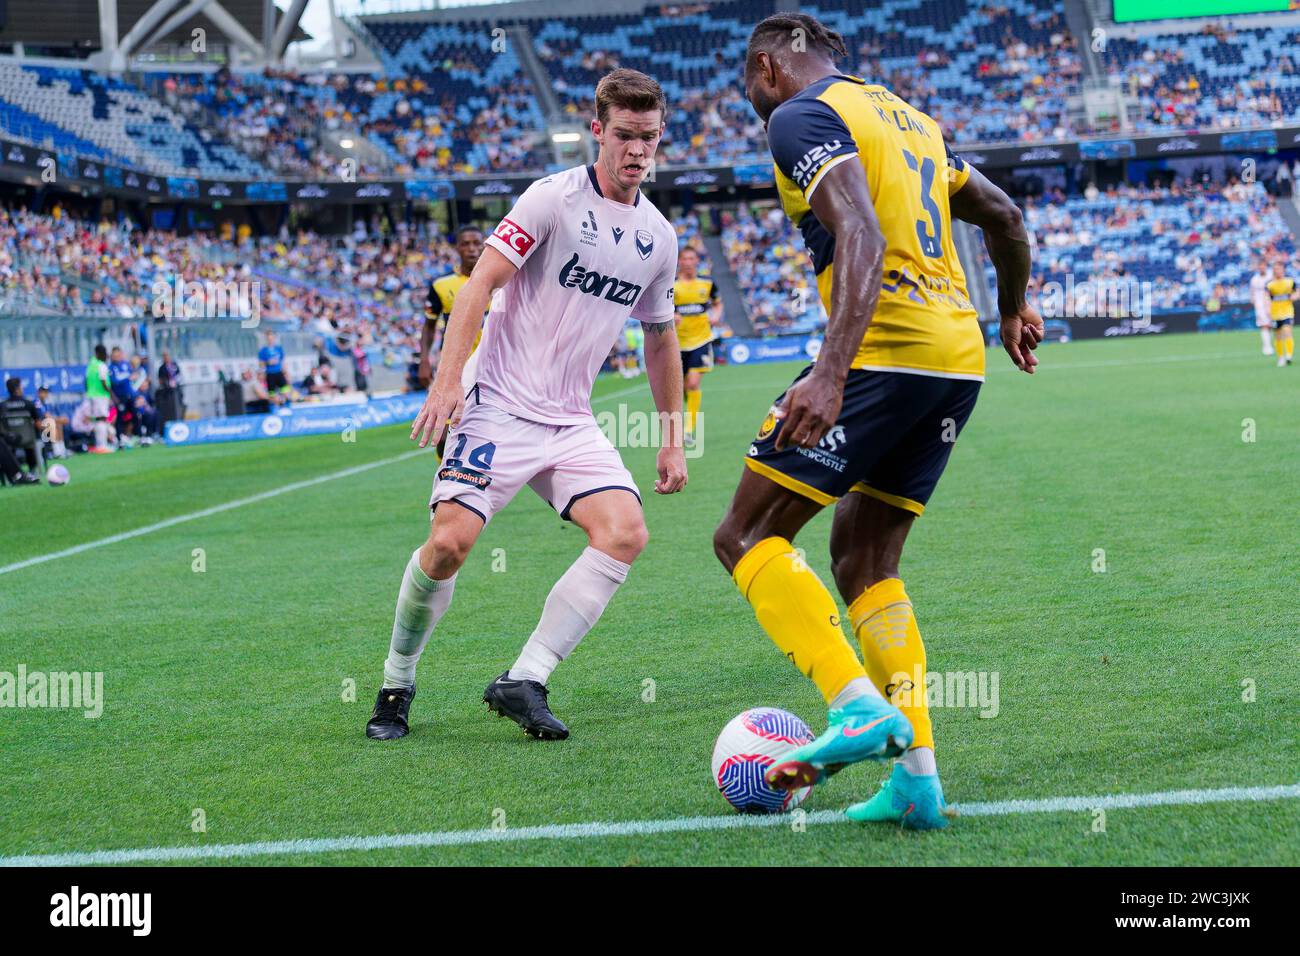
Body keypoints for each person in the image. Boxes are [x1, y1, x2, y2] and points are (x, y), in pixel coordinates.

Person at [711, 14, 1042, 830]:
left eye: (750, 88)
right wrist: (1013, 309)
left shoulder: (801, 115)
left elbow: (859, 229)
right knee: (865, 557)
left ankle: (854, 708)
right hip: (956, 358)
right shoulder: (913, 120)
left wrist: (828, 372)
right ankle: (917, 784)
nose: (754, 104)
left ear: (767, 66)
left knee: (745, 535)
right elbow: (1003, 215)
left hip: (881, 354)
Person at [366, 68, 687, 743]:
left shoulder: (659, 237)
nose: (637, 151)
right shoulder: (551, 199)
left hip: (569, 419)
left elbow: (661, 339)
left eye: (650, 138)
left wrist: (672, 437)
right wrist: (448, 381)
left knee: (625, 532)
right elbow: (479, 285)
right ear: (597, 131)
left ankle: (526, 678)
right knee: (450, 545)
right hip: (498, 403)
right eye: (625, 135)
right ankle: (397, 681)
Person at [422, 225, 486, 389]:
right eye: (465, 244)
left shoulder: (504, 282)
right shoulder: (440, 285)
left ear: (484, 245)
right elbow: (429, 326)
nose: (471, 249)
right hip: (456, 369)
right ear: (457, 248)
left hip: (495, 367)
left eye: (476, 243)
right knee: (454, 414)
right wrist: (424, 360)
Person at [673, 246, 722, 446]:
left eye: (692, 258)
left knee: (693, 383)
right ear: (679, 262)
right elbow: (662, 307)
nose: (688, 262)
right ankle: (687, 415)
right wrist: (671, 315)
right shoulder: (672, 285)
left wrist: (716, 315)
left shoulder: (707, 283)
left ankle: (688, 429)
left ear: (696, 261)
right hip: (677, 343)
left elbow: (718, 303)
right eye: (684, 258)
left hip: (701, 340)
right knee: (683, 386)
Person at [1, 377, 43, 473]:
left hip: (9, 440)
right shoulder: (29, 404)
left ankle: (13, 472)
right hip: (27, 439)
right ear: (18, 388)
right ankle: (32, 470)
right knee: (31, 440)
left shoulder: (2, 405)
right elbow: (38, 424)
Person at [84, 344, 114, 454]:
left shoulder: (91, 365)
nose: (106, 356)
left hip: (92, 395)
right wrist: (112, 394)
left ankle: (99, 445)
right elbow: (103, 382)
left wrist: (89, 393)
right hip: (100, 395)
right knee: (101, 418)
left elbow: (86, 382)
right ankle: (102, 446)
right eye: (104, 353)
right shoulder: (101, 365)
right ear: (99, 354)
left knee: (97, 419)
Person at [1266, 260, 1296, 366]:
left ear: (1283, 270)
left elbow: (1296, 292)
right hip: (1275, 313)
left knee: (1287, 331)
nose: (1277, 271)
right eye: (1275, 269)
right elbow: (1267, 298)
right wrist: (1268, 310)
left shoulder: (1290, 282)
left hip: (1287, 311)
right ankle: (1281, 357)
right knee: (1278, 336)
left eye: (1278, 269)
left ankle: (1289, 355)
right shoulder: (1270, 285)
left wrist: (1295, 296)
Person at [1250, 259, 1274, 356]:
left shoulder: (1271, 277)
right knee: (1264, 325)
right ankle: (1267, 346)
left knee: (1273, 325)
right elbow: (1252, 293)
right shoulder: (1254, 279)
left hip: (1272, 303)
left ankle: (1272, 344)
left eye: (1263, 265)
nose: (1261, 267)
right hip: (1260, 304)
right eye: (1260, 266)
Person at [258, 331, 290, 397]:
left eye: (272, 338)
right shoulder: (263, 351)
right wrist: (268, 362)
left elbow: (283, 361)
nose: (270, 340)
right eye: (269, 339)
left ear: (274, 338)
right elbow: (261, 365)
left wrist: (286, 373)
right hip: (270, 374)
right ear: (266, 339)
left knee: (285, 391)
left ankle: (287, 405)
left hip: (279, 373)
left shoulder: (278, 348)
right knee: (272, 394)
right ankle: (273, 405)